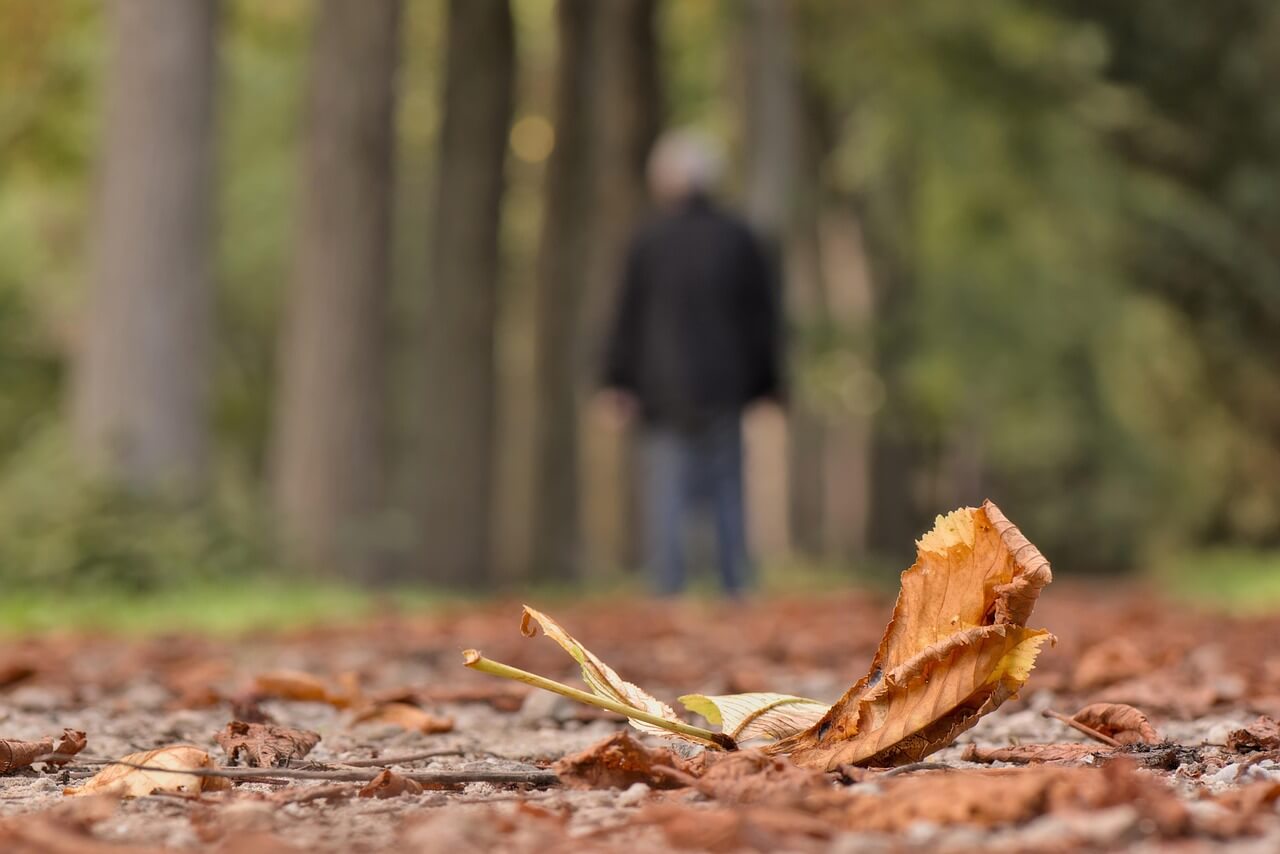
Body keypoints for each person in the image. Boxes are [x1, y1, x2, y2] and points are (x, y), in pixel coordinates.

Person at [599, 130, 783, 597]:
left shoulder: (649, 241)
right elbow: (763, 319)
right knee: (727, 491)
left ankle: (667, 592)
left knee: (667, 493)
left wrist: (617, 381)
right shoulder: (740, 238)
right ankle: (735, 587)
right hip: (727, 386)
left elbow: (627, 317)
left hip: (662, 389)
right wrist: (768, 386)